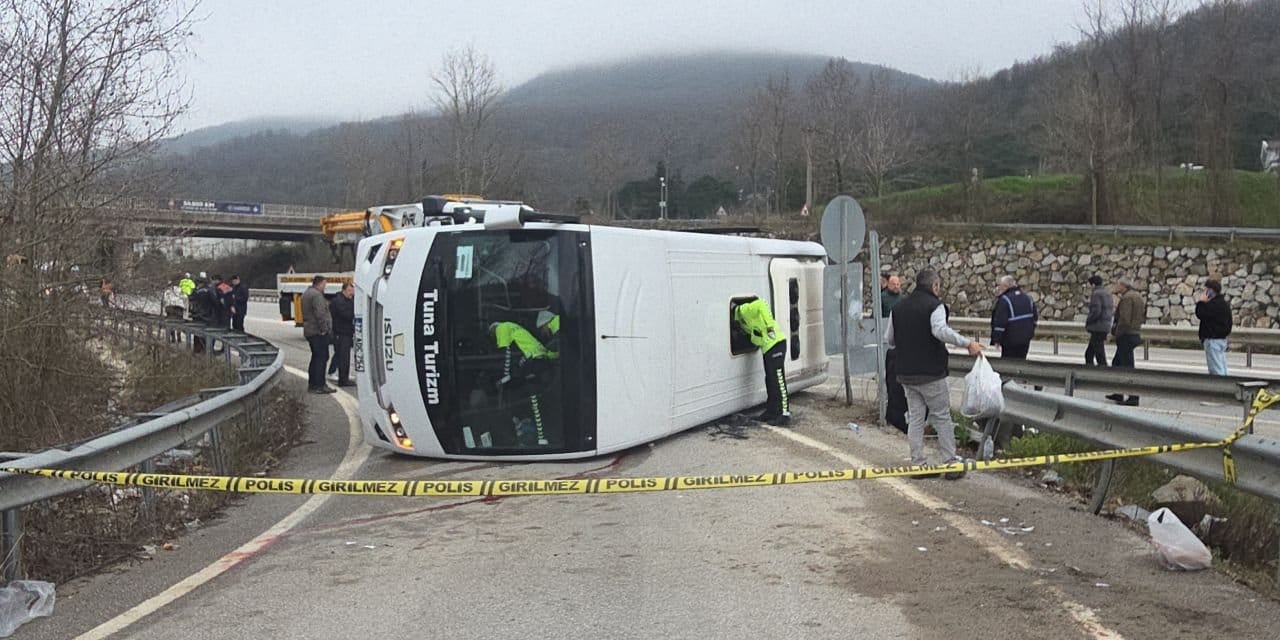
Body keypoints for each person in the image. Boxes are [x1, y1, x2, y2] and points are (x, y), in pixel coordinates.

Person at [884, 270, 984, 479]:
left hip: (905, 373)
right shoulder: (935, 306)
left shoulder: (899, 307)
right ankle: (950, 462)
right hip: (930, 373)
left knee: (916, 418)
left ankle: (918, 463)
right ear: (935, 286)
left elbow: (889, 339)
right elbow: (940, 331)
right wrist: (967, 343)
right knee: (941, 417)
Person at [732, 296, 790, 426]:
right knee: (770, 379)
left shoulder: (743, 310)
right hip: (767, 348)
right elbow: (755, 336)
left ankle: (784, 413)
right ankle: (771, 411)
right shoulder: (743, 323)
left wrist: (769, 327)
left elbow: (761, 304)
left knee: (778, 379)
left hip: (776, 343)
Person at [1106, 277, 1145, 406]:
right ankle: (1119, 392)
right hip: (1134, 333)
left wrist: (1117, 333)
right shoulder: (1137, 297)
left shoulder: (1127, 298)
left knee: (1126, 366)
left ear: (1123, 285)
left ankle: (1133, 396)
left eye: (1117, 283)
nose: (1115, 286)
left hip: (1126, 335)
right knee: (1118, 363)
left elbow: (1124, 319)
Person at [989, 275, 1037, 360]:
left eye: (1000, 286)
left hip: (1010, 340)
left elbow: (1000, 322)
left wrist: (997, 339)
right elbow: (1034, 318)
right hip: (1025, 339)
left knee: (1008, 364)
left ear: (1005, 286)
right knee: (1021, 360)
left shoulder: (1004, 300)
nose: (999, 288)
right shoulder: (1028, 298)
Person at [302, 275, 335, 394]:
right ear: (320, 283)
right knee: (321, 358)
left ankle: (312, 384)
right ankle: (320, 385)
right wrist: (324, 329)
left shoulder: (307, 293)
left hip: (310, 330)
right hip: (317, 332)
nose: (325, 287)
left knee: (315, 357)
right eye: (324, 284)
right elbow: (320, 314)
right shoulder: (316, 295)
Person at [1195, 278, 1233, 376]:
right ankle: (1227, 387)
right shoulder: (1224, 304)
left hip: (1212, 340)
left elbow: (1200, 313)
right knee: (1222, 366)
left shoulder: (1213, 305)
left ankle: (1220, 389)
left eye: (1206, 290)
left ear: (1210, 291)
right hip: (1221, 339)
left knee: (1216, 369)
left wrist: (1201, 302)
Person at [327, 282, 357, 387]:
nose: (351, 294)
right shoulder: (338, 301)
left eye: (352, 292)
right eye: (349, 291)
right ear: (343, 290)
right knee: (343, 357)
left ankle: (344, 377)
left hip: (346, 332)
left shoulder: (348, 300)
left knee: (343, 356)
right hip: (340, 332)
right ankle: (343, 380)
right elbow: (347, 315)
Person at [1084, 275, 1113, 367]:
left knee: (1098, 353)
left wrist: (1089, 320)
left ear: (1092, 285)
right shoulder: (1107, 293)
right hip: (1105, 325)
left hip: (1098, 326)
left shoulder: (1096, 294)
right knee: (1090, 353)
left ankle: (1103, 371)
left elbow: (1096, 311)